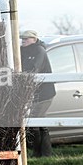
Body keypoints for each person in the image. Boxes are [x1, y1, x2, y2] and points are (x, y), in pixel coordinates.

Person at [21, 29, 56, 157]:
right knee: (40, 122)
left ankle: (40, 153)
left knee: (36, 121)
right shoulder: (23, 51)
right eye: (22, 38)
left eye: (27, 38)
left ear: (34, 39)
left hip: (45, 92)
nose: (23, 40)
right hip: (34, 92)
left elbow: (35, 68)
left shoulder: (40, 51)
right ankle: (43, 153)